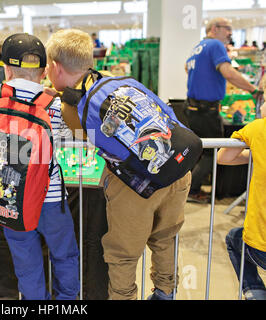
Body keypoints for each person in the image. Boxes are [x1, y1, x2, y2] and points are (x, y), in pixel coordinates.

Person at [45, 28, 191, 300]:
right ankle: (165, 292)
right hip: (178, 167)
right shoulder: (123, 83)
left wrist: (61, 97)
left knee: (122, 253)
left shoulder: (73, 107)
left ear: (54, 66)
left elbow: (81, 134)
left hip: (137, 185)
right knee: (165, 238)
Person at [0, 33, 80, 300]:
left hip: (10, 195)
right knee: (65, 254)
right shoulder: (55, 104)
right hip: (49, 195)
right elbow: (69, 135)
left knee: (26, 261)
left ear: (6, 69)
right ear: (44, 71)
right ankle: (67, 301)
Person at [185, 17, 261, 204]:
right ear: (215, 28)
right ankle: (192, 190)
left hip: (192, 107)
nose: (230, 33)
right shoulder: (216, 45)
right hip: (206, 109)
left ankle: (189, 187)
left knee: (201, 151)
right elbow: (228, 72)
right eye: (227, 28)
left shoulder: (199, 47)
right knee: (213, 153)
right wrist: (254, 90)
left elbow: (187, 68)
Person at [217, 92, 266, 300]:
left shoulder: (258, 129)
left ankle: (255, 293)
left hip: (261, 245)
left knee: (233, 239)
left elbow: (224, 157)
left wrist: (255, 150)